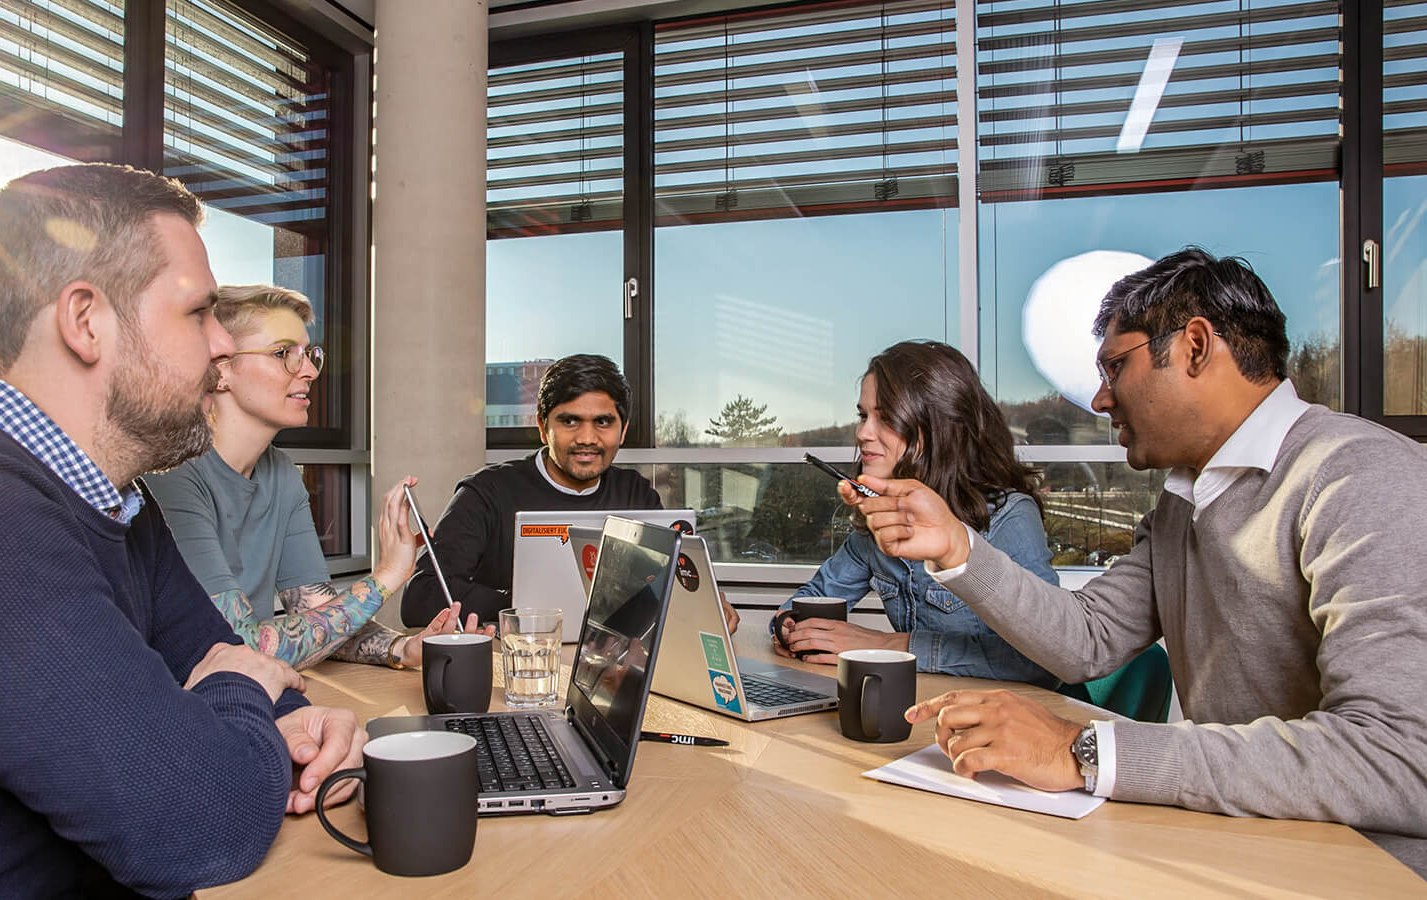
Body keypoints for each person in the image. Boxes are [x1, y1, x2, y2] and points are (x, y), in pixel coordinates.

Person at [0, 164, 367, 896]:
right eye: (198, 314)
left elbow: (243, 679)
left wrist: (289, 721)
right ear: (86, 321)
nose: (220, 346)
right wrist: (236, 697)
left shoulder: (113, 498)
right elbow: (198, 824)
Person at [851, 248, 1427, 874]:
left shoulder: (1359, 476)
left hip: (1364, 872)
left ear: (1196, 347)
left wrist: (1084, 751)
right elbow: (1086, 642)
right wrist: (956, 547)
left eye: (1114, 367)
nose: (1100, 399)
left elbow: (1398, 757)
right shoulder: (1185, 503)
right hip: (1244, 846)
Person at [147, 285, 490, 671]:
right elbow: (236, 646)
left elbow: (316, 613)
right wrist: (386, 577)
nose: (309, 371)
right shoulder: (171, 475)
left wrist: (403, 648)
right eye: (283, 354)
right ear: (221, 369)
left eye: (309, 355)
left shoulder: (280, 473)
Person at [775, 342, 1059, 688]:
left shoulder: (1009, 518)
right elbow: (816, 596)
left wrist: (888, 646)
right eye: (863, 415)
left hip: (1008, 721)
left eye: (886, 417)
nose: (863, 433)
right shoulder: (878, 521)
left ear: (938, 427)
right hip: (924, 708)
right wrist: (789, 625)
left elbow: (1040, 661)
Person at [400, 354, 738, 632]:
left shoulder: (636, 494)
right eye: (570, 421)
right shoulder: (486, 493)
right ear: (542, 426)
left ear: (623, 431)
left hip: (611, 670)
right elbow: (421, 597)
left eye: (603, 422)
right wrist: (526, 608)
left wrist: (703, 607)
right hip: (517, 668)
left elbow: (663, 593)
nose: (587, 438)